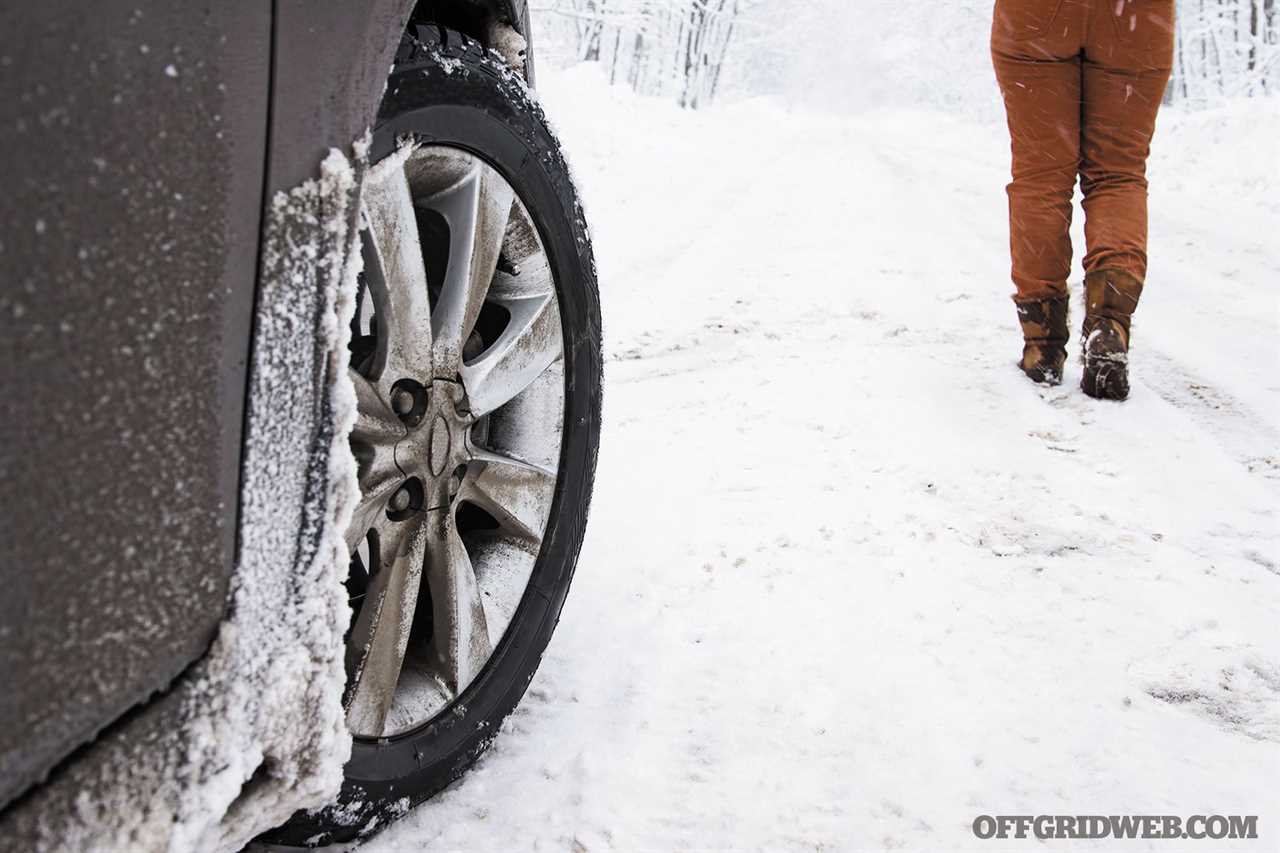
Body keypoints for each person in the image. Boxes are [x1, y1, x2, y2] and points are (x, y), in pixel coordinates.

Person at [991, 0, 1175, 400]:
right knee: (1117, 173)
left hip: (1036, 15)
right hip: (1137, 16)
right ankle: (1110, 324)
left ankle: (1042, 344)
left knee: (1040, 176)